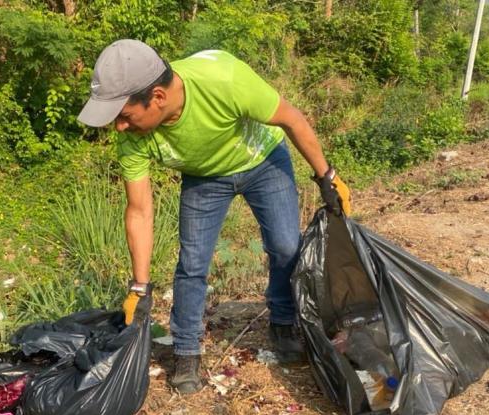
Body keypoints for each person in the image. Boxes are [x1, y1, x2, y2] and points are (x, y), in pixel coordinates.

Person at [77, 39, 352, 395]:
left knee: (286, 246)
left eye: (125, 116)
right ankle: (187, 350)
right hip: (205, 178)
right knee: (192, 262)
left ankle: (283, 323)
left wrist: (326, 177)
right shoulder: (132, 137)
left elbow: (292, 119)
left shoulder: (223, 78)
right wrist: (139, 287)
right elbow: (140, 209)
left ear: (157, 97)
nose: (120, 128)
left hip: (262, 161)